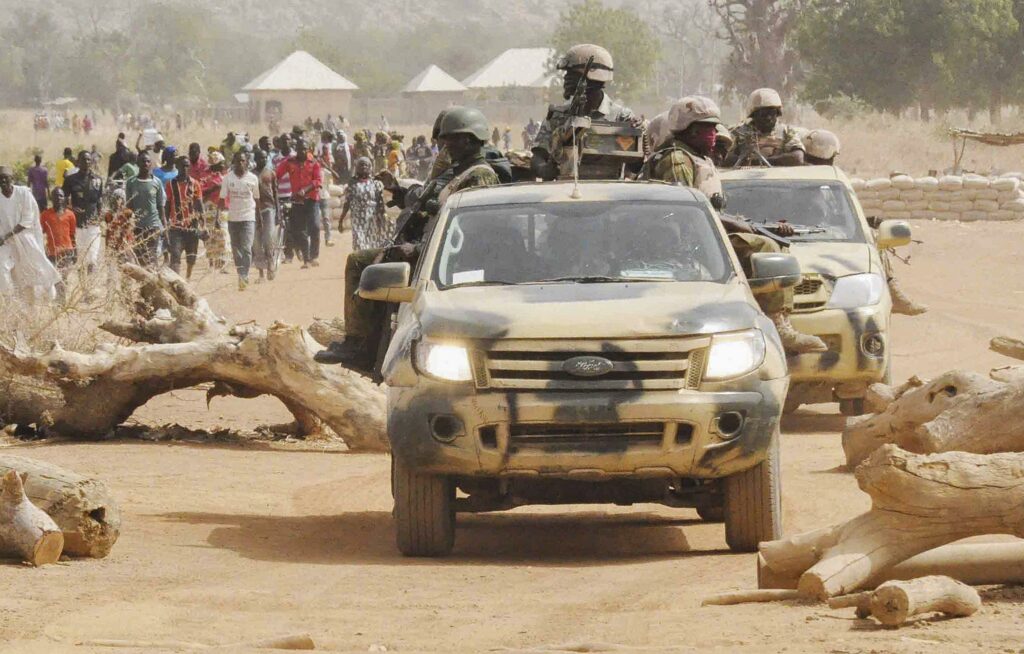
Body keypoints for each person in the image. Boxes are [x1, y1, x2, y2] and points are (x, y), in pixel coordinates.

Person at [316, 107, 501, 370]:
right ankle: (362, 343)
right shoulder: (456, 171)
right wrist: (399, 192)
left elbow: (469, 232)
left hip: (442, 259)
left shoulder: (479, 176)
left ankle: (359, 347)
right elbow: (428, 203)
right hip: (426, 249)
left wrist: (417, 249)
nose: (445, 146)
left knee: (359, 263)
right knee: (364, 263)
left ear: (469, 140)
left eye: (451, 139)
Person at [644, 96, 826, 355]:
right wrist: (736, 225)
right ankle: (777, 326)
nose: (713, 134)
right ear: (690, 131)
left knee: (776, 245)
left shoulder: (696, 158)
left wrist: (743, 222)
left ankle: (776, 319)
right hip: (692, 243)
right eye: (707, 129)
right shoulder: (678, 161)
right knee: (766, 249)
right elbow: (685, 212)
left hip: (708, 236)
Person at [531, 44, 636, 181]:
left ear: (594, 78)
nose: (566, 79)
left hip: (609, 189)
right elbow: (538, 157)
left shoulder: (621, 117)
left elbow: (636, 166)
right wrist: (544, 169)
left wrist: (636, 131)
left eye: (572, 75)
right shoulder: (558, 116)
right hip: (564, 190)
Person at [0, 166, 60, 299]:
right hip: (7, 242)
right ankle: (9, 299)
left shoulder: (23, 193)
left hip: (25, 237)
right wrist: (4, 237)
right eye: (0, 179)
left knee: (36, 266)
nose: (3, 181)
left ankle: (49, 293)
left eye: (6, 178)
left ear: (12, 179)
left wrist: (7, 235)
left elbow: (28, 219)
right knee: (3, 267)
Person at [725, 88, 805, 167]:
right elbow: (725, 158)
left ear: (777, 113)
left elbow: (798, 157)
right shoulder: (739, 132)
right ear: (753, 115)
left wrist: (761, 161)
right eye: (763, 114)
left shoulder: (787, 131)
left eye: (772, 113)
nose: (768, 118)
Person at [275, 139, 321, 269]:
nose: (302, 151)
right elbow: (277, 174)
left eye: (305, 149)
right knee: (300, 231)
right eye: (300, 149)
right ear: (296, 149)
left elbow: (317, 181)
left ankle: (314, 256)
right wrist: (273, 184)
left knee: (315, 227)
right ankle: (306, 259)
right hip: (297, 200)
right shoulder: (289, 162)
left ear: (308, 149)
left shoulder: (314, 163)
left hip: (312, 199)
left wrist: (305, 190)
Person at [220, 152, 260, 290]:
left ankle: (244, 275)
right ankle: (240, 272)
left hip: (248, 217)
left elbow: (257, 199)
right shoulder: (227, 178)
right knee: (236, 249)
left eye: (243, 161)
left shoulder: (253, 178)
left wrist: (259, 218)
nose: (240, 163)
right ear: (234, 163)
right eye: (238, 161)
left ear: (247, 162)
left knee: (246, 248)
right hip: (233, 218)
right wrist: (218, 217)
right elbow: (222, 199)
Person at [62, 151, 105, 273]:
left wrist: (100, 217)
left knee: (92, 259)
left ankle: (90, 284)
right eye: (83, 159)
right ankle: (82, 283)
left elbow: (100, 200)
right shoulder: (70, 180)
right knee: (81, 260)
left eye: (88, 159)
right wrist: (71, 208)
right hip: (77, 225)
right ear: (78, 162)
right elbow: (62, 200)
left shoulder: (98, 180)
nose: (86, 162)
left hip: (93, 224)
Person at [124, 152, 166, 269]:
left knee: (151, 257)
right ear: (137, 163)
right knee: (140, 258)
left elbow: (160, 206)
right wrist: (128, 226)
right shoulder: (131, 182)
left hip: (153, 226)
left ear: (151, 164)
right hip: (137, 227)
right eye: (143, 161)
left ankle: (154, 279)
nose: (146, 164)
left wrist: (164, 226)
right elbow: (129, 205)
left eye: (148, 161)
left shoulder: (157, 182)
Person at [165, 156, 203, 280]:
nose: (185, 168)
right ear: (177, 167)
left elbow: (199, 204)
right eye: (183, 166)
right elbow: (167, 205)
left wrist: (202, 223)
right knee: (175, 255)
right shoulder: (171, 184)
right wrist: (165, 223)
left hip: (192, 226)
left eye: (187, 166)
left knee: (191, 257)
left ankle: (187, 278)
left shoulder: (195, 184)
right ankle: (176, 281)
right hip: (176, 227)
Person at [341, 157, 389, 251]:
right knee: (359, 242)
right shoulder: (352, 183)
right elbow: (347, 202)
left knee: (372, 243)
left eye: (366, 165)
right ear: (357, 168)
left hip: (372, 218)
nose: (364, 167)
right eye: (361, 165)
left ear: (370, 167)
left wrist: (382, 215)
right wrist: (341, 220)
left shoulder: (375, 184)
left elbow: (380, 202)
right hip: (357, 219)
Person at [252, 148, 279, 282]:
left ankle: (271, 262)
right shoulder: (250, 175)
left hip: (268, 209)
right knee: (256, 242)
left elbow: (275, 193)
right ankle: (261, 273)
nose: (263, 160)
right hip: (253, 210)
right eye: (260, 158)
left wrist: (278, 212)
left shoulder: (271, 173)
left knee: (268, 238)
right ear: (255, 159)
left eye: (264, 157)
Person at [39, 187, 76, 270]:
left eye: (61, 196)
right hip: (52, 252)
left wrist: (75, 252)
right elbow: (40, 233)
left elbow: (72, 235)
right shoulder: (45, 214)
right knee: (53, 276)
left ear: (64, 198)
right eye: (55, 196)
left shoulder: (70, 214)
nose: (58, 198)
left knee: (64, 275)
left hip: (67, 252)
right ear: (51, 198)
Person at [102, 188, 134, 262]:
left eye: (120, 199)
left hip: (124, 242)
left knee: (125, 262)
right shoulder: (109, 214)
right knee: (110, 262)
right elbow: (109, 227)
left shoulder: (128, 212)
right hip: (112, 241)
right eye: (116, 199)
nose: (118, 201)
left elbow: (130, 227)